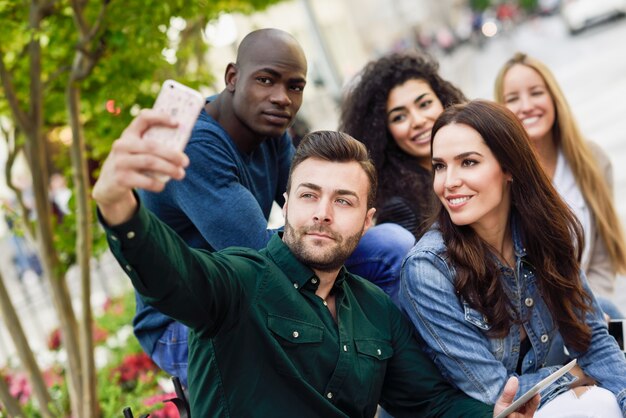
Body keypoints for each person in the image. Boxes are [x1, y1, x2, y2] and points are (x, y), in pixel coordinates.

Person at [93, 115, 538, 417]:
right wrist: (119, 206)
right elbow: (172, 276)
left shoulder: (377, 311)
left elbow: (431, 404)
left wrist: (493, 414)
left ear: (367, 221)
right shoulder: (240, 280)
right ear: (286, 206)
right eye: (309, 195)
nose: (322, 212)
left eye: (343, 201)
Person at [133, 28, 411, 386]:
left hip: (253, 284)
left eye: (295, 87)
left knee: (388, 247)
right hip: (187, 319)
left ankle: (404, 390)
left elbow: (305, 204)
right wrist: (330, 234)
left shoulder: (273, 131)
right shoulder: (195, 145)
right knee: (302, 339)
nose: (281, 98)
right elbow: (261, 254)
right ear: (232, 78)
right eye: (266, 80)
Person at [399, 100, 626, 417]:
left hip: (549, 395)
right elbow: (493, 390)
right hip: (494, 411)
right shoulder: (428, 268)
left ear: (508, 167)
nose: (448, 182)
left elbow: (592, 342)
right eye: (439, 166)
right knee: (598, 404)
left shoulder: (542, 230)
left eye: (468, 162)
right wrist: (576, 379)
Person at [494, 52, 626, 319]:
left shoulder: (591, 160)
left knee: (612, 314)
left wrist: (592, 310)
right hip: (534, 323)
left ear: (554, 98)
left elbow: (602, 259)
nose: (527, 105)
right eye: (513, 99)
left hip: (588, 308)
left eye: (536, 92)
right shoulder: (501, 177)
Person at [338, 52, 466, 303]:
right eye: (399, 117)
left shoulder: (475, 162)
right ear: (384, 132)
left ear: (444, 101)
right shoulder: (398, 206)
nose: (418, 121)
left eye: (424, 104)